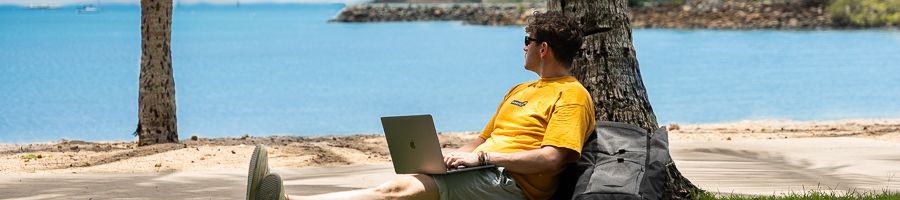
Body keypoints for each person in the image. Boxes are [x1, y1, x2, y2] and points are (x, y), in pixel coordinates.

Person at [246, 11, 595, 200]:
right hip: (483, 171)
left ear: (544, 48)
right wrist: (451, 156)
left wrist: (484, 159)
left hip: (513, 184)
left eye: (527, 41)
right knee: (409, 182)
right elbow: (481, 139)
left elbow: (553, 159)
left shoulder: (572, 96)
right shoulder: (522, 88)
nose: (524, 47)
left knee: (397, 190)